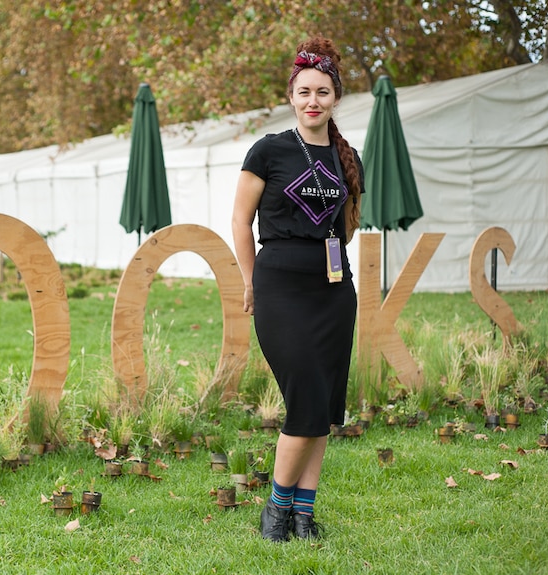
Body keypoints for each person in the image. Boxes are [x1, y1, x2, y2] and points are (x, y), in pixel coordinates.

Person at [231, 36, 363, 542]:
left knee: (324, 407)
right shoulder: (268, 151)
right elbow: (241, 222)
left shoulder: (347, 156)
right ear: (292, 96)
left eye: (323, 92)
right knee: (305, 396)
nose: (314, 101)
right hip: (280, 285)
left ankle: (303, 515)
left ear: (334, 99)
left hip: (333, 290)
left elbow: (347, 225)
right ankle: (276, 510)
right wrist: (250, 282)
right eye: (305, 91)